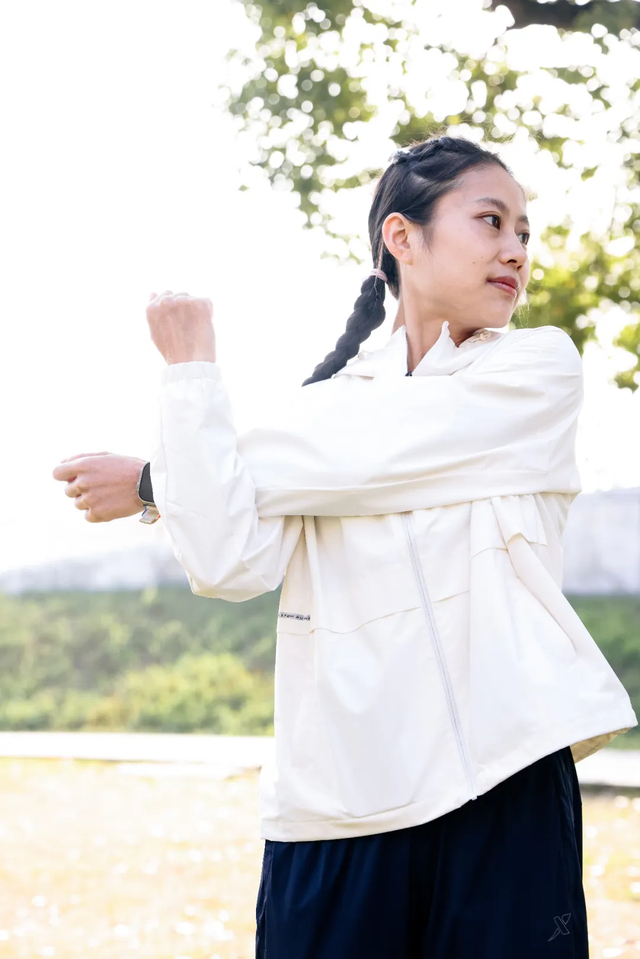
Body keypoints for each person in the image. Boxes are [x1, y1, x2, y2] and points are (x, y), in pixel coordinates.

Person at [52, 134, 637, 958]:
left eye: (524, 232)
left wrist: (159, 477)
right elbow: (227, 561)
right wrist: (190, 372)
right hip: (333, 811)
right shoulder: (321, 409)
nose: (516, 249)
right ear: (403, 236)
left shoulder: (537, 371)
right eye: (491, 221)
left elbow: (368, 450)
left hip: (505, 787)